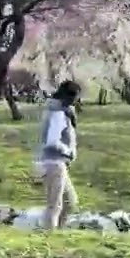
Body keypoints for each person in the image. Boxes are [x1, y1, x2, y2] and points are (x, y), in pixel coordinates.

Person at [37, 80, 81, 229]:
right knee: (54, 206)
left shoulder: (58, 111)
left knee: (70, 202)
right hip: (54, 163)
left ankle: (58, 233)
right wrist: (68, 152)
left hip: (56, 163)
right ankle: (50, 238)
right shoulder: (58, 114)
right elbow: (52, 141)